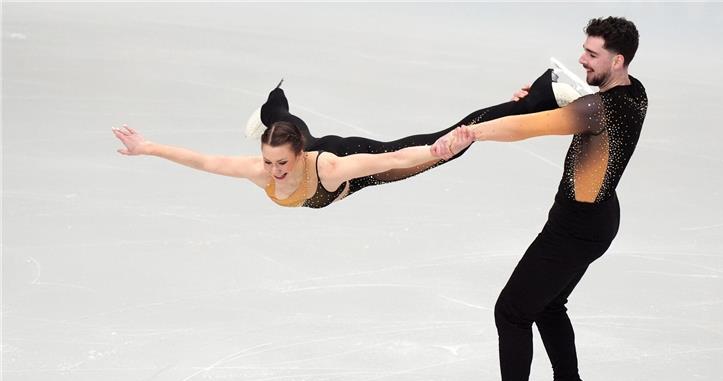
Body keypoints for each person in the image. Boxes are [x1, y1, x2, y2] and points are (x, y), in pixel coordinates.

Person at [433, 17, 648, 381]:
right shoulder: (633, 92)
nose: (581, 58)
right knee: (549, 305)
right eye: (583, 50)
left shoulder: (601, 109)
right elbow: (580, 107)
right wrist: (536, 101)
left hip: (576, 229)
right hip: (597, 218)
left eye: (592, 54)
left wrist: (473, 131)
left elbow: (530, 128)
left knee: (511, 311)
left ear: (617, 59)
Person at [112, 69, 581, 209]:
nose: (274, 172)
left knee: (453, 140)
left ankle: (540, 94)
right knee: (283, 123)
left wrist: (437, 151)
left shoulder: (330, 166)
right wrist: (147, 146)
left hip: (359, 160)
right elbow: (205, 161)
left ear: (300, 156)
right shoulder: (266, 166)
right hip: (311, 144)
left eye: (282, 163)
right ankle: (272, 107)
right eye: (270, 163)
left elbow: (395, 156)